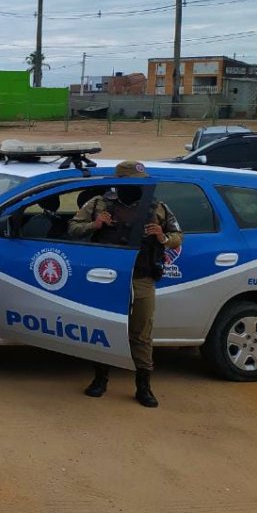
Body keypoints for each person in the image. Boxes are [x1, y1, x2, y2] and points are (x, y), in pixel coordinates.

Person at [68, 160, 182, 407]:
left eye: (141, 183)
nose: (137, 188)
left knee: (141, 333)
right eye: (132, 183)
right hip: (107, 279)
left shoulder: (157, 208)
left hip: (141, 278)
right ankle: (100, 380)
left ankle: (144, 387)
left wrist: (162, 237)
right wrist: (95, 225)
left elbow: (178, 237)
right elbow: (73, 228)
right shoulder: (98, 204)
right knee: (104, 329)